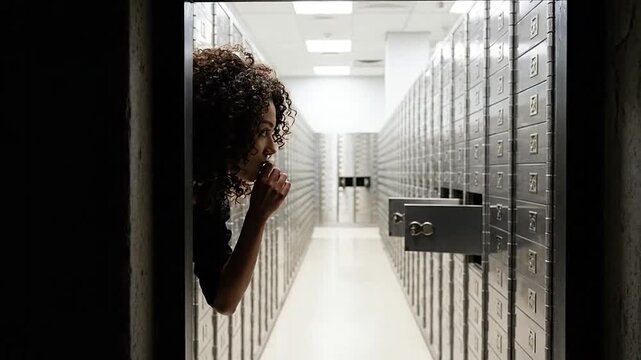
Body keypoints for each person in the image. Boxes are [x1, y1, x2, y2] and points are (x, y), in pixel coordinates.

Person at [192, 45, 295, 315]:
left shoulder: (208, 191)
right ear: (227, 127)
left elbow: (223, 299)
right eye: (263, 131)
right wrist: (258, 214)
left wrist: (258, 215)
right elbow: (224, 300)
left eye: (272, 132)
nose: (272, 147)